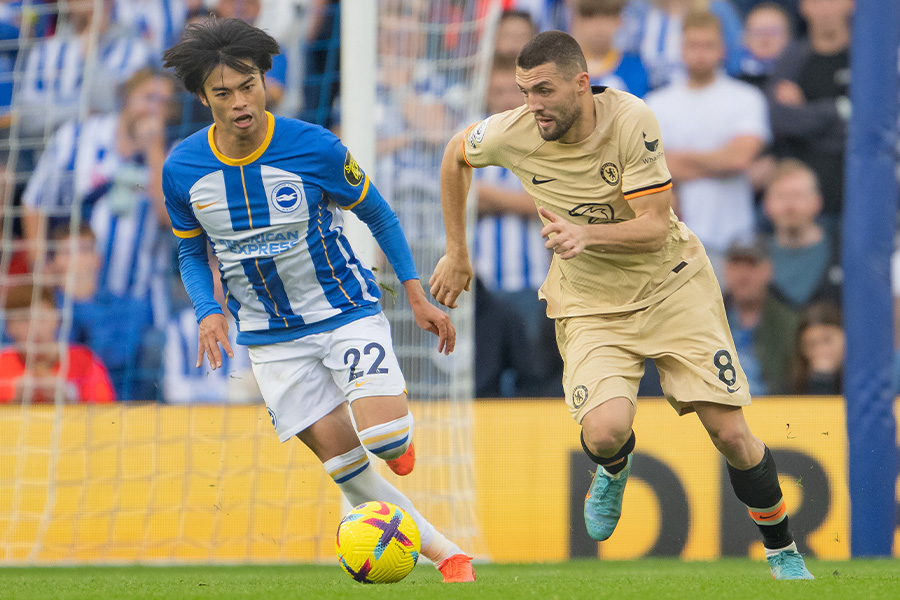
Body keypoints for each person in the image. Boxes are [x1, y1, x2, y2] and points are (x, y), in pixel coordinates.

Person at [430, 29, 813, 579]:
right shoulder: (512, 131)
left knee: (730, 433)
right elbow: (454, 154)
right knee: (605, 431)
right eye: (523, 91)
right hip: (590, 301)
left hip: (672, 286)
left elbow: (657, 227)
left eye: (543, 90)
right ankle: (612, 468)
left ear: (581, 84)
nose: (532, 105)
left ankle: (781, 550)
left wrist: (586, 235)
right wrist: (457, 253)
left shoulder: (632, 119)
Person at [160, 18, 475, 581]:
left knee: (384, 440)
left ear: (265, 82)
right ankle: (449, 555)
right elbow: (190, 253)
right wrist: (209, 311)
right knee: (350, 474)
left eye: (248, 85)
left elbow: (377, 212)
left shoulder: (314, 147)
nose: (240, 103)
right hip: (270, 340)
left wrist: (415, 293)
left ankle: (395, 437)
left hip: (343, 311)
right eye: (223, 93)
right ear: (203, 99)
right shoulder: (183, 170)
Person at [645, 10, 769, 281]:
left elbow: (739, 159)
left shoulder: (746, 98)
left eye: (708, 45)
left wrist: (678, 161)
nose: (700, 53)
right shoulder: (657, 103)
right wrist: (721, 161)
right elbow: (652, 170)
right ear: (681, 48)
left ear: (722, 49)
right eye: (693, 45)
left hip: (737, 239)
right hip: (677, 241)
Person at [765, 0, 853, 228]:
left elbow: (868, 127)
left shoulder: (866, 59)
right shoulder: (792, 59)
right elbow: (781, 119)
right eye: (816, 1)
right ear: (803, 7)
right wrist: (838, 109)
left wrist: (806, 112)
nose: (825, 9)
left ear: (851, 4)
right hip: (800, 211)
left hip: (855, 199)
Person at [0, 284, 115, 404]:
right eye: (24, 320)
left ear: (57, 319)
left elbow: (107, 413)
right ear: (8, 327)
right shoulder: (2, 365)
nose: (35, 328)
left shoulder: (84, 362)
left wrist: (70, 397)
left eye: (42, 318)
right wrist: (13, 402)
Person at [722, 236, 799, 395]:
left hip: (772, 410)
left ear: (768, 270)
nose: (743, 274)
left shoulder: (790, 323)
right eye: (736, 265)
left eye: (751, 264)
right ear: (726, 270)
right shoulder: (707, 318)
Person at [761, 158, 840, 309]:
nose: (789, 205)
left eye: (798, 195)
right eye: (781, 196)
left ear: (817, 202)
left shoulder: (842, 252)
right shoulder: (753, 257)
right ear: (766, 204)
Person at [569, 0, 649, 98]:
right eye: (589, 15)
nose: (599, 25)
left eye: (608, 15)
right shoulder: (563, 69)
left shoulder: (635, 68)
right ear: (576, 20)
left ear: (620, 20)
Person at [788, 301, 843, 394]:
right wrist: (822, 379)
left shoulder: (861, 380)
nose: (821, 350)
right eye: (812, 344)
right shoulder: (791, 389)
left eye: (827, 340)